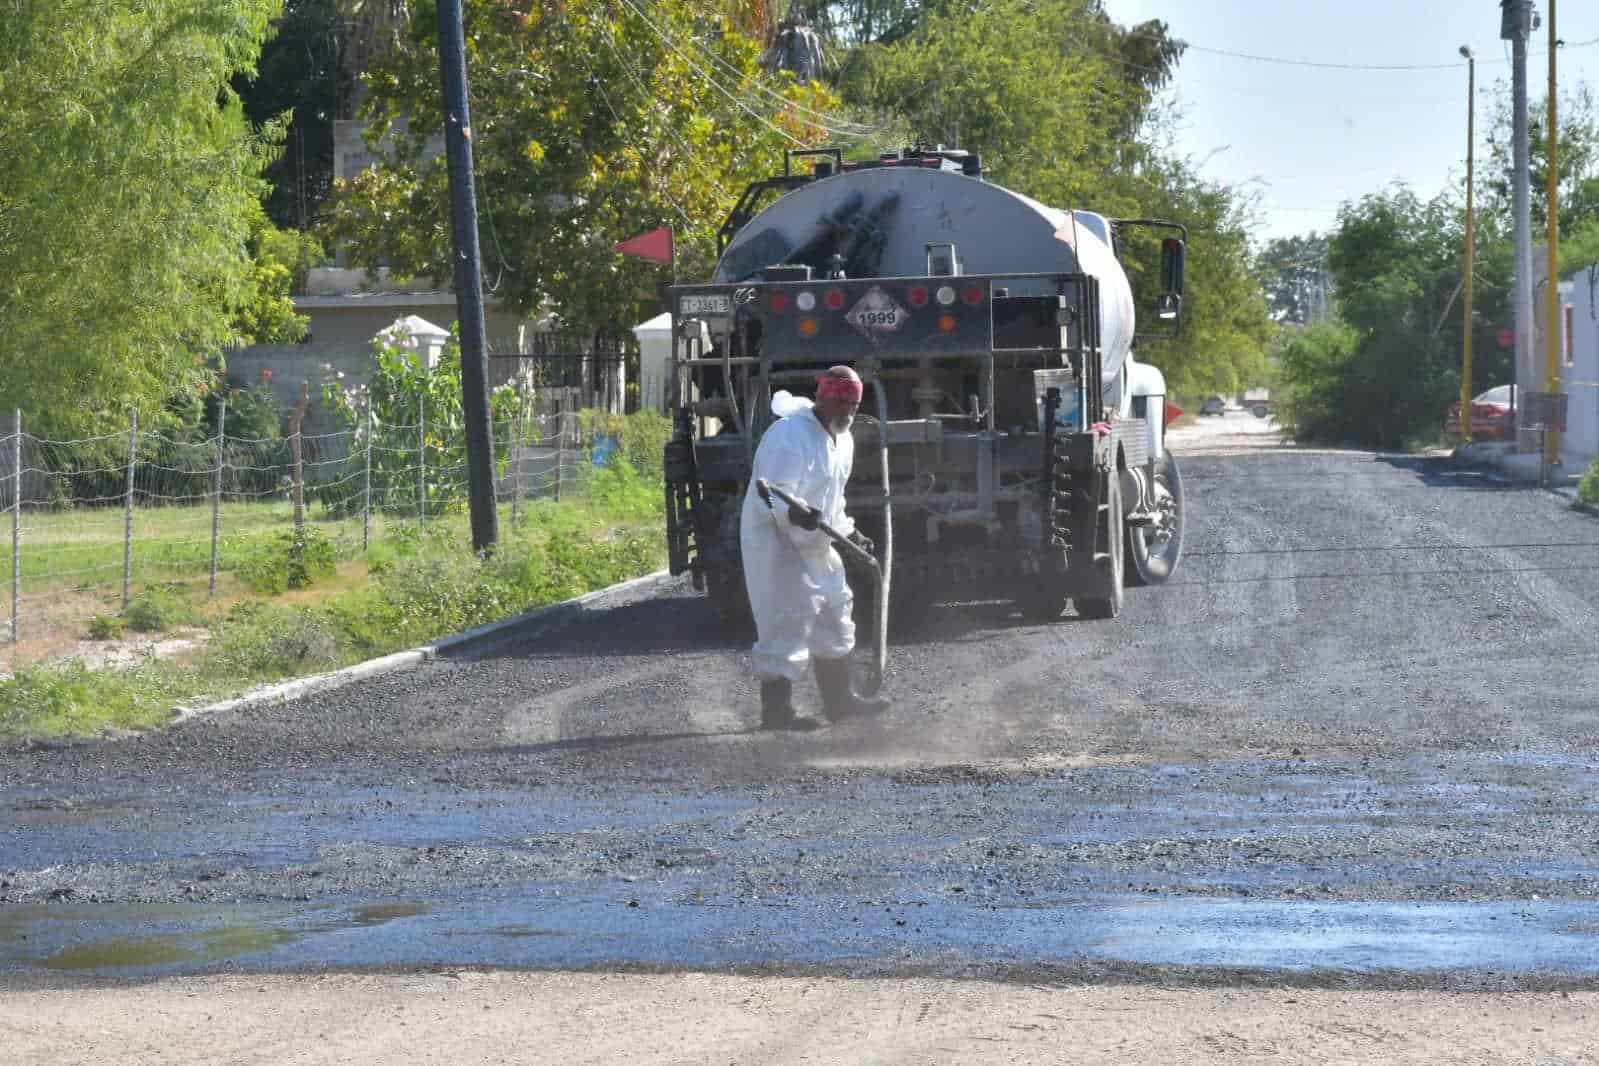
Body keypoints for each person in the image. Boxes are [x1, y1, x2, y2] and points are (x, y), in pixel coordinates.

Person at [741, 365, 890, 731]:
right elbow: (772, 492)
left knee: (835, 609)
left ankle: (841, 703)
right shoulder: (789, 436)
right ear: (822, 399)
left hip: (817, 538)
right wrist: (795, 513)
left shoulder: (844, 440)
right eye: (839, 405)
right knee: (787, 615)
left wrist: (849, 534)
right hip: (776, 541)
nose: (846, 413)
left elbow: (833, 499)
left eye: (852, 406)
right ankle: (777, 713)